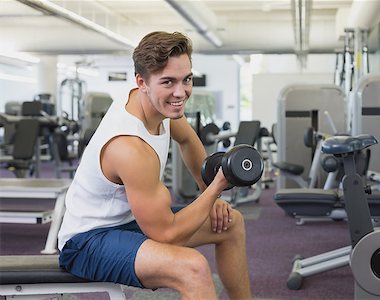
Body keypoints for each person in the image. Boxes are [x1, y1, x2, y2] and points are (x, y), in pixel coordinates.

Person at [57, 31, 252, 299]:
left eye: (187, 79)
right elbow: (167, 233)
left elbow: (189, 142)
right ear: (142, 82)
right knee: (192, 268)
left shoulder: (161, 106)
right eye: (168, 82)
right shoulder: (129, 147)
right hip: (88, 241)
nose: (180, 92)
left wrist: (206, 188)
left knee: (230, 222)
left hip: (128, 222)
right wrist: (214, 189)